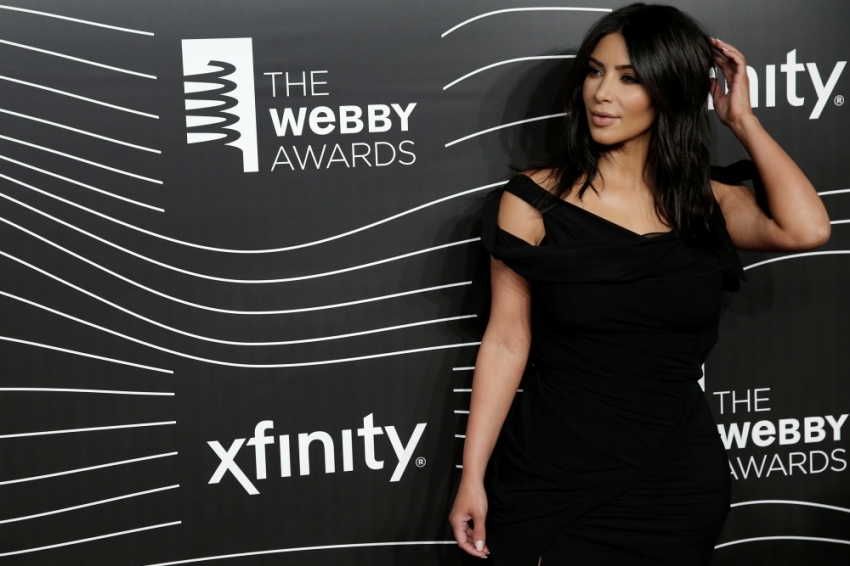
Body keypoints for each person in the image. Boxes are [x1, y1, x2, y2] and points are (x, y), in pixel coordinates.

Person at [448, 3, 830, 565]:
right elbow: (507, 341)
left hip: (675, 479)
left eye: (630, 79)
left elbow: (807, 229)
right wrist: (472, 476)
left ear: (670, 91)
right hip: (554, 471)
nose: (602, 94)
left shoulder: (706, 202)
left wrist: (742, 120)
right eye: (595, 71)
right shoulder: (534, 201)